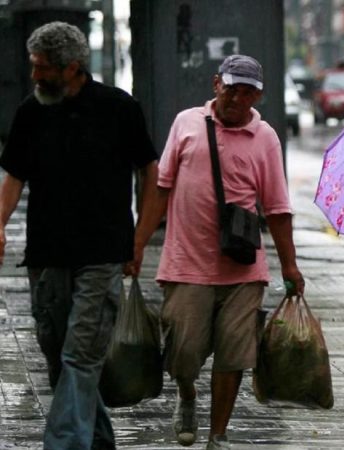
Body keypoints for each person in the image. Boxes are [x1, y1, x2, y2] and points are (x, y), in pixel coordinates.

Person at [129, 54, 305, 450]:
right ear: (216, 85)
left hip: (243, 268)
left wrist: (290, 265)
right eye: (231, 89)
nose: (237, 99)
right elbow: (161, 188)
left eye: (247, 93)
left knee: (234, 355)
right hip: (186, 264)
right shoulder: (186, 123)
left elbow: (277, 208)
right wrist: (138, 244)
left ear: (257, 96)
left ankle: (218, 435)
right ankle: (187, 394)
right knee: (184, 353)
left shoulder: (266, 138)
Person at [0, 21, 159, 449]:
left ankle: (63, 445)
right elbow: (14, 175)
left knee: (80, 355)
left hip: (103, 254)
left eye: (42, 68)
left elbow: (150, 172)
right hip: (46, 257)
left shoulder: (118, 108)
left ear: (71, 67)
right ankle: (98, 440)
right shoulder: (30, 112)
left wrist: (139, 240)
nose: (34, 75)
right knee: (57, 356)